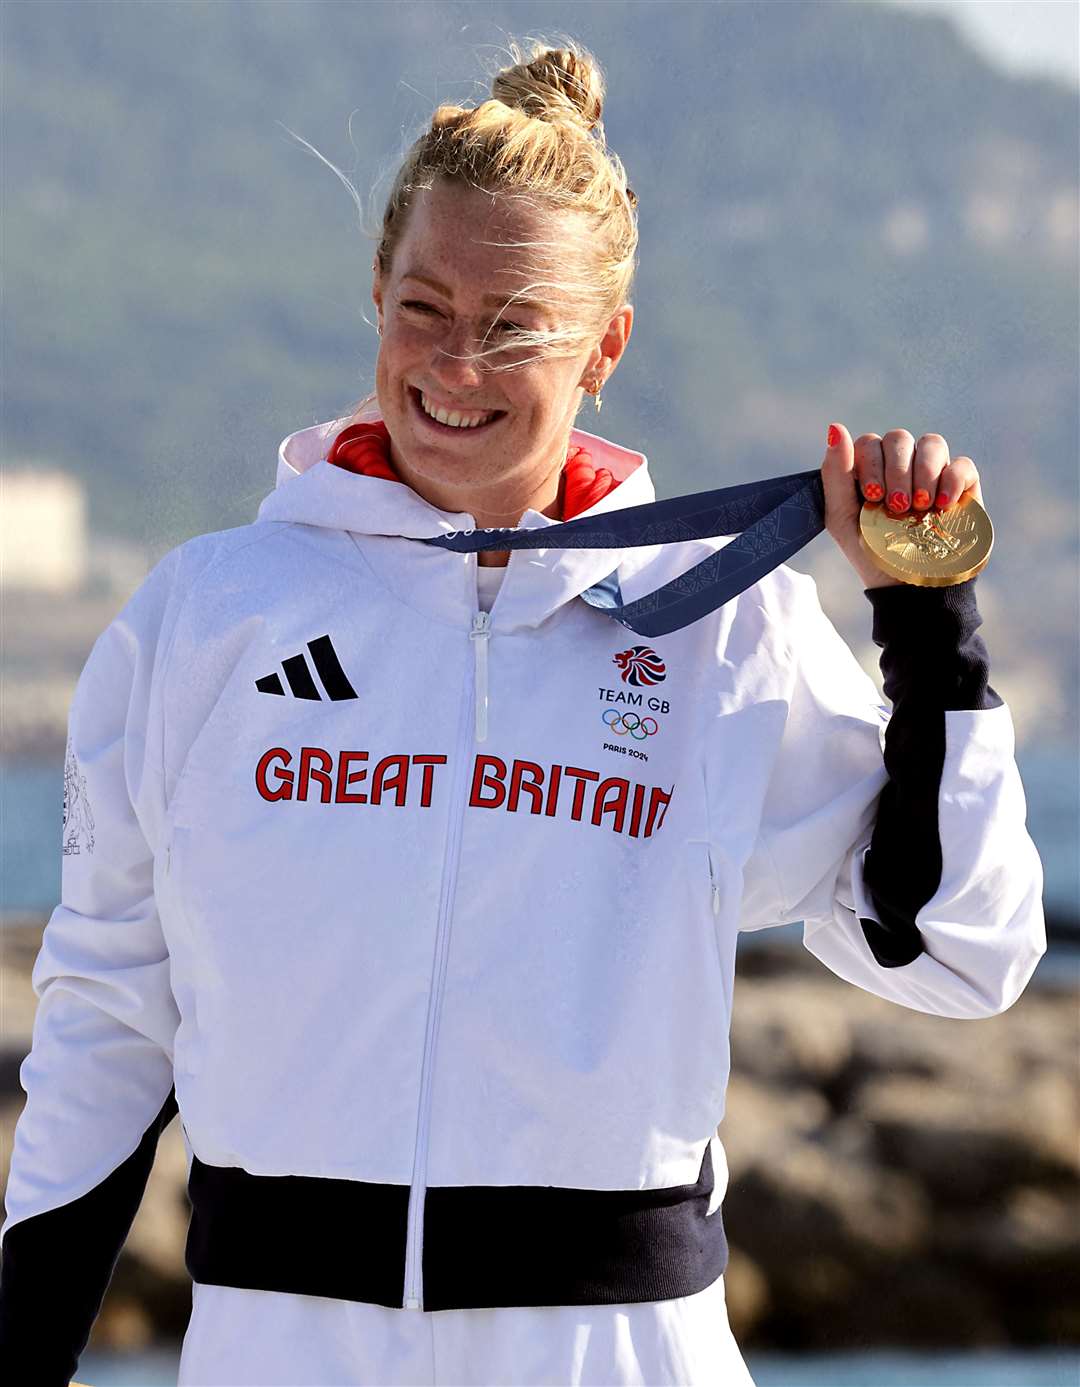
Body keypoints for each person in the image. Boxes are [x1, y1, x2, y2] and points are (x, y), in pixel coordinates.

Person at [0, 37, 1045, 1387]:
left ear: (607, 344)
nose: (457, 363)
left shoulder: (723, 627)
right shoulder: (210, 617)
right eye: (424, 308)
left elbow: (959, 950)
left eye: (514, 326)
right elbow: (109, 1021)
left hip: (615, 1355)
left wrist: (927, 619)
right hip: (281, 1346)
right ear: (374, 293)